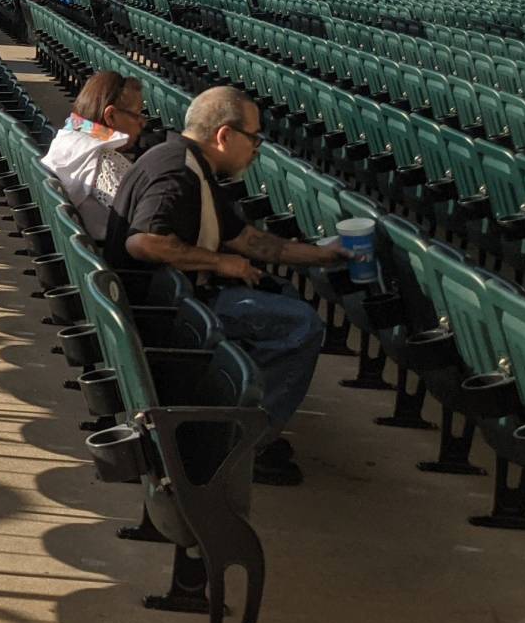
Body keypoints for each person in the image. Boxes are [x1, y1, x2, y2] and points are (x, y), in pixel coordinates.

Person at [102, 85, 344, 485]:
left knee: (280, 296)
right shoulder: (177, 173)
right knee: (301, 325)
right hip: (165, 315)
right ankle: (243, 442)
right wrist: (220, 262)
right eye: (254, 138)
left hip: (181, 302)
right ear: (225, 135)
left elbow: (248, 240)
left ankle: (242, 424)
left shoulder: (189, 163)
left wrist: (324, 254)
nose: (257, 149)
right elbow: (143, 241)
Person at [46, 69, 146, 241]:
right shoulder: (104, 160)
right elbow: (142, 220)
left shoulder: (67, 136)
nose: (142, 123)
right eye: (137, 115)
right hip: (109, 255)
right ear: (111, 115)